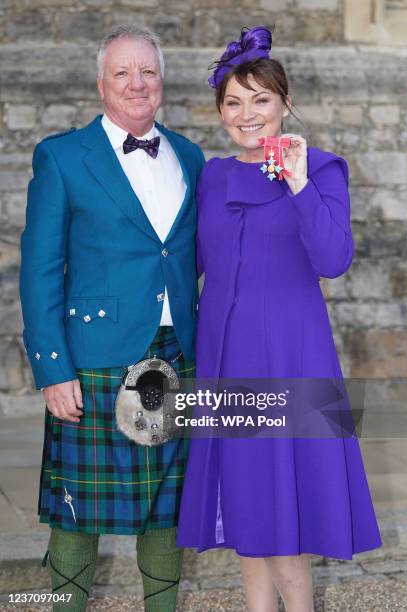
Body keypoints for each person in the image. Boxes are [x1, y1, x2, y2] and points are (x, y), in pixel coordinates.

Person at [177, 26, 382, 611]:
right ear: (220, 112)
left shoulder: (322, 169)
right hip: (225, 363)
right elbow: (190, 263)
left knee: (286, 523)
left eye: (260, 100)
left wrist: (295, 181)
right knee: (247, 512)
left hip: (292, 359)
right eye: (234, 103)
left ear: (284, 103)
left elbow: (333, 258)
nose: (248, 115)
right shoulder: (213, 176)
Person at [19, 25, 204, 612]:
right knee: (78, 509)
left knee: (165, 510)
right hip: (95, 357)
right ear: (101, 83)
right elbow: (41, 268)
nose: (136, 82)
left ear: (162, 80)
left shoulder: (190, 156)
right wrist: (52, 367)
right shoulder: (62, 155)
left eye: (147, 70)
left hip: (177, 352)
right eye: (122, 71)